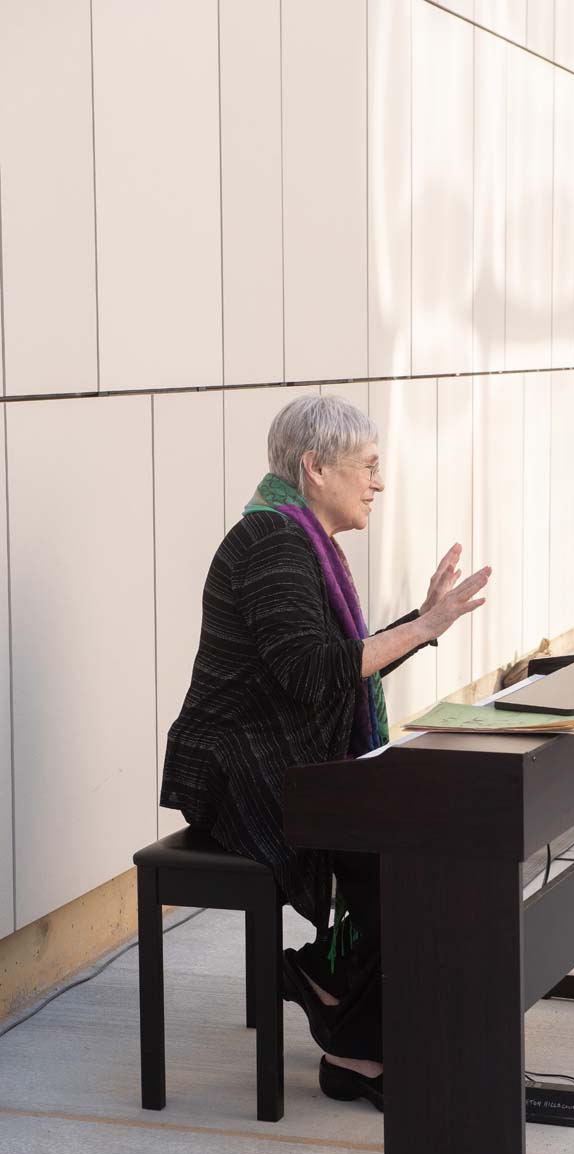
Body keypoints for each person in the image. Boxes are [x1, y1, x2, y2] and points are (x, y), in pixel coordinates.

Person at [160, 392, 491, 1109]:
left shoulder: (298, 538)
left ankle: (342, 1016)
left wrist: (424, 624)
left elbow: (337, 664)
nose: (378, 482)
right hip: (240, 771)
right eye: (368, 467)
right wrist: (424, 623)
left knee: (411, 832)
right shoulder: (272, 543)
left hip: (275, 757)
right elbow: (316, 674)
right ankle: (347, 1022)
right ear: (314, 467)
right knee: (400, 845)